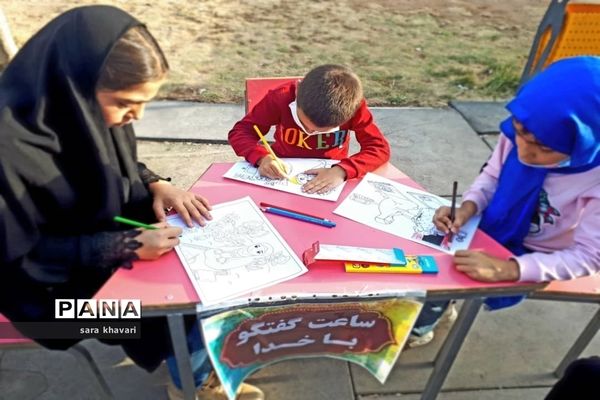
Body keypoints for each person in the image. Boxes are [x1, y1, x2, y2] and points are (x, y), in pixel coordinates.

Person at [0, 6, 262, 400]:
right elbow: (17, 258)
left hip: (113, 259)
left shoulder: (77, 112)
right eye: (125, 103)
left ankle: (191, 364)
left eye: (144, 104)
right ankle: (189, 384)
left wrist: (156, 184)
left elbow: (110, 164)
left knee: (203, 291)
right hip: (53, 308)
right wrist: (123, 245)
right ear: (75, 86)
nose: (134, 117)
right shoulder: (7, 147)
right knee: (178, 313)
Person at [410, 56, 600, 347]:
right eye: (520, 132)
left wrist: (509, 269)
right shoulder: (524, 126)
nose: (524, 151)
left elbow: (588, 256)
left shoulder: (594, 176)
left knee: (455, 277)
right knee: (430, 264)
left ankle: (426, 322)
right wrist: (468, 207)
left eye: (544, 147)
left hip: (541, 253)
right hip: (494, 223)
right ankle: (434, 312)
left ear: (586, 141)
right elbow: (491, 176)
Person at [228, 64, 391, 194]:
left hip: (331, 175)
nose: (310, 132)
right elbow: (241, 132)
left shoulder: (354, 106)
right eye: (303, 123)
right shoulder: (280, 98)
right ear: (297, 94)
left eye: (323, 131)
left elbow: (379, 148)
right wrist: (262, 157)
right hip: (282, 172)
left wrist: (342, 170)